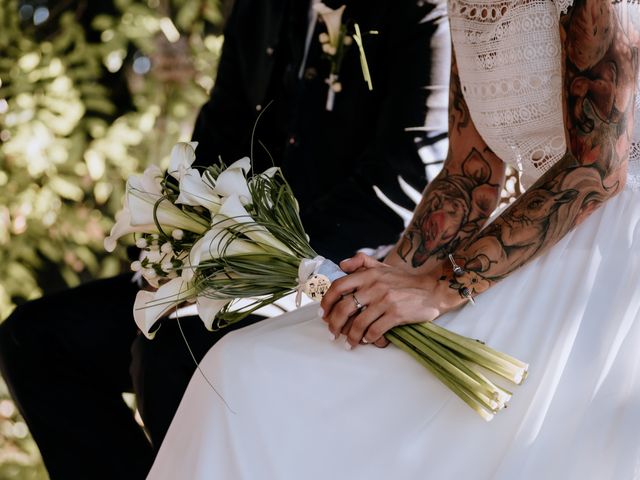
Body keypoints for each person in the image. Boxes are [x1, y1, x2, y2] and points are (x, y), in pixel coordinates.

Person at [147, 1, 640, 479]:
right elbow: (469, 177)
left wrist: (439, 287)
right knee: (241, 365)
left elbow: (597, 169)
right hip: (525, 246)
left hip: (605, 265)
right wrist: (390, 283)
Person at [0, 0, 450, 477]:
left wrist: (245, 258)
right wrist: (173, 254)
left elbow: (396, 188)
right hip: (225, 266)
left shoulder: (420, 14)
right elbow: (215, 143)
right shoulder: (261, 11)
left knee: (174, 350)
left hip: (341, 275)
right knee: (35, 337)